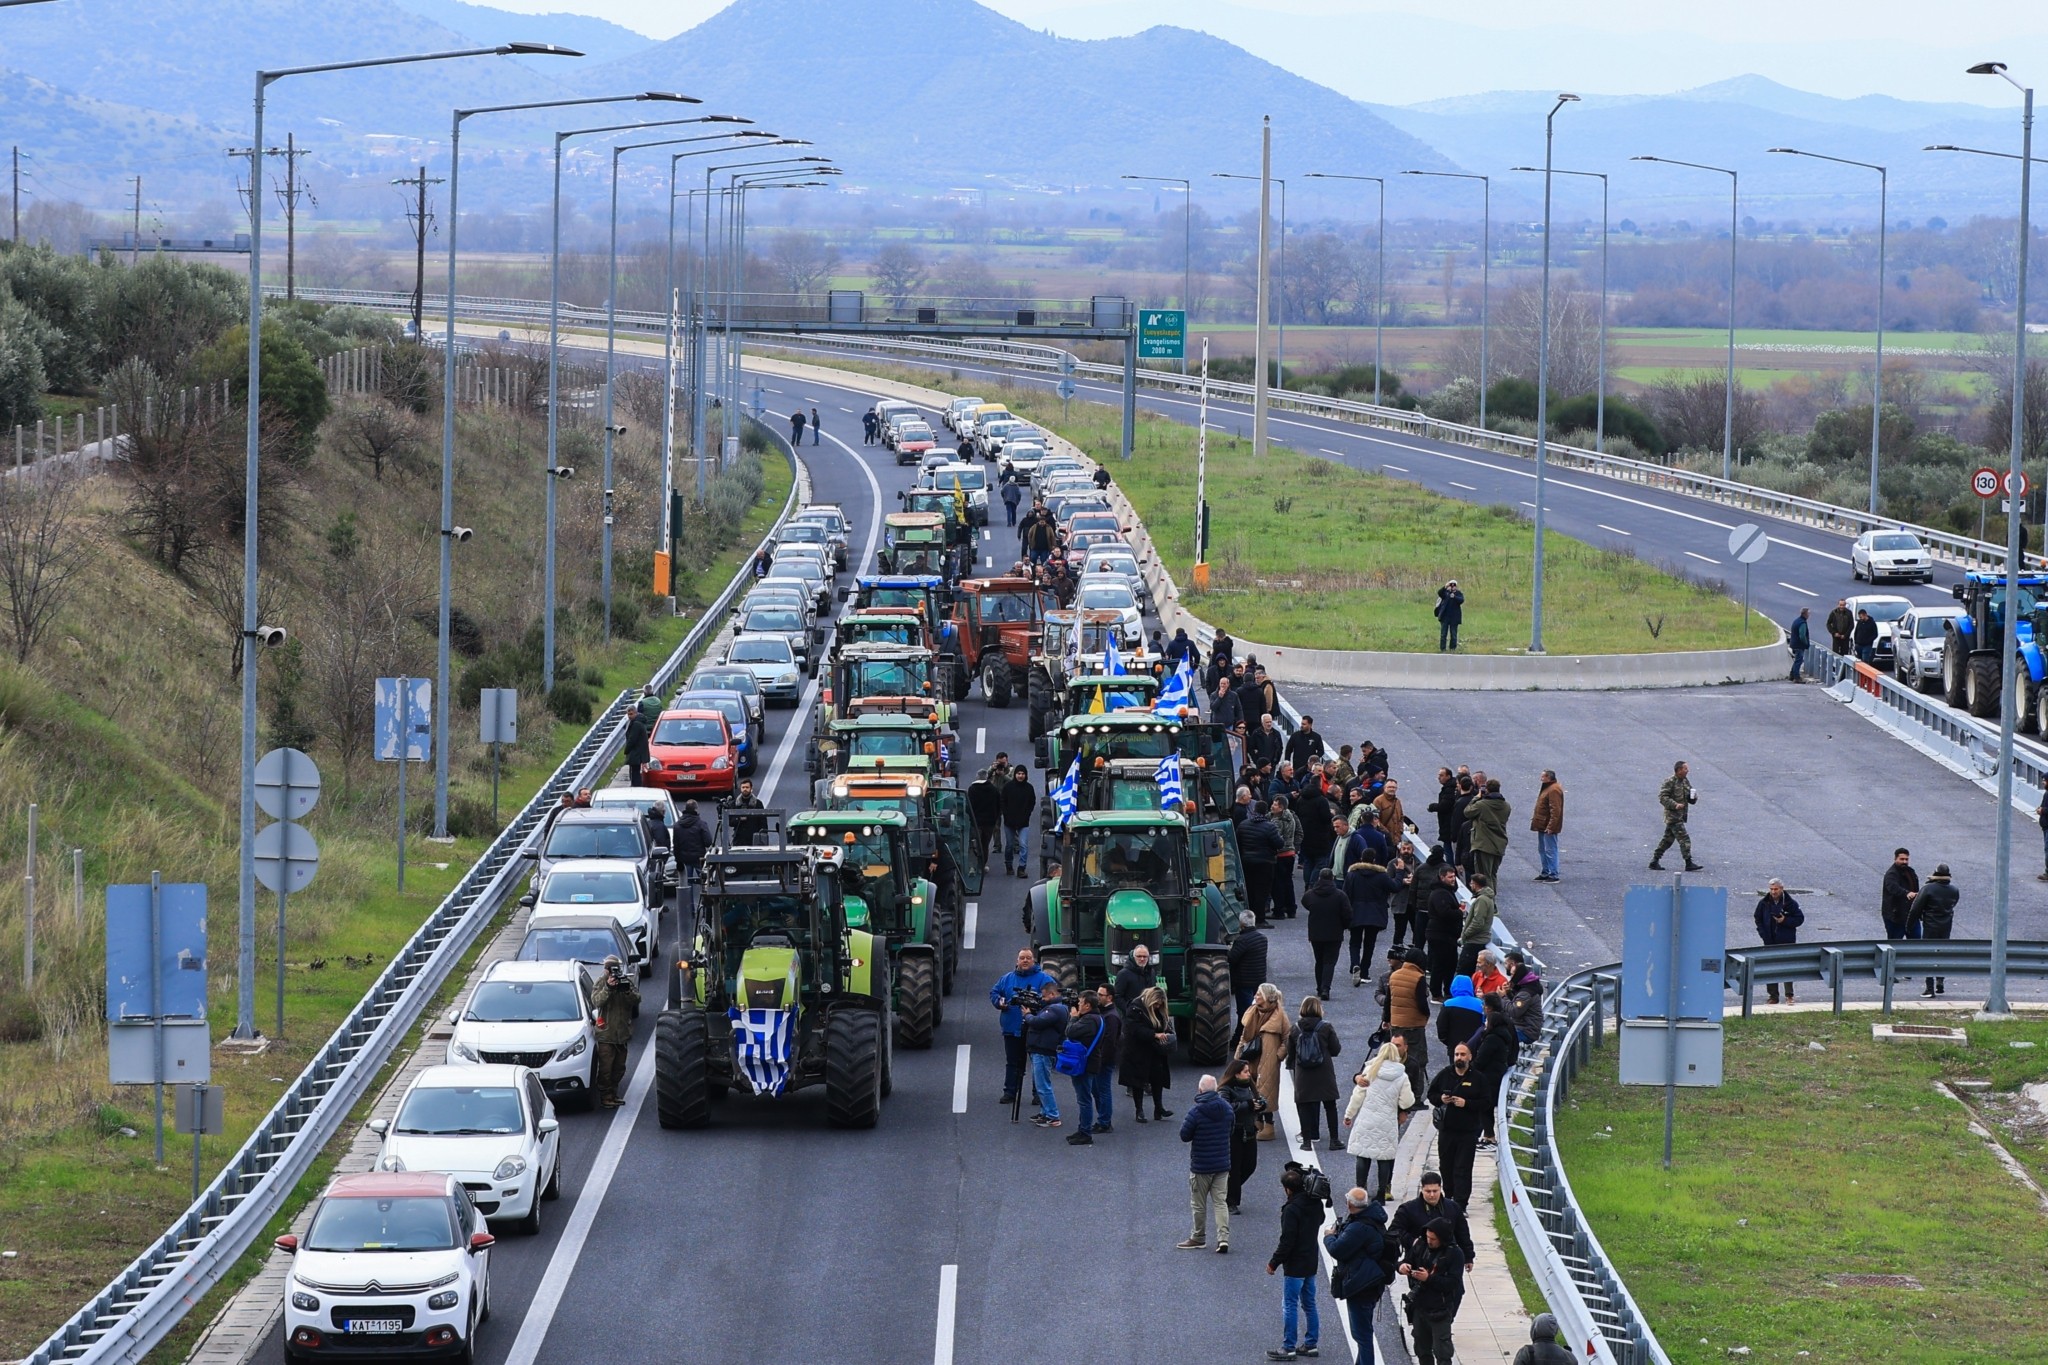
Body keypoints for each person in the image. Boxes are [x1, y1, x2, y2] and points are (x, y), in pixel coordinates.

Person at [1325, 1190, 1392, 1364]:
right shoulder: (1373, 1219)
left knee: (1362, 1335)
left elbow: (1337, 1250)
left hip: (1361, 1285)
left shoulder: (1359, 1227)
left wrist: (1329, 1237)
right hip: (1371, 1282)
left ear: (1349, 1204)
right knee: (1362, 1333)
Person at [1342, 1041, 1413, 1200]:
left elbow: (1358, 1095)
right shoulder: (1402, 1076)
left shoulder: (1370, 1071)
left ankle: (1360, 1190)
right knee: (1384, 1157)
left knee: (1363, 1154)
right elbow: (1406, 1102)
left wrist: (1349, 1115)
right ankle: (1382, 1193)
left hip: (1367, 1119)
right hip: (1388, 1121)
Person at [1265, 1166, 1323, 1361]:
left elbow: (1287, 1241)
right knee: (1309, 1303)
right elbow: (1321, 1219)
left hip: (1295, 1265)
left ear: (1287, 1189)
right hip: (1311, 1261)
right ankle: (1311, 1344)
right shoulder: (1315, 1203)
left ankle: (1288, 1347)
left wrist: (1274, 1262)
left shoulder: (1291, 1210)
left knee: (1290, 1304)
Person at [990, 948, 1055, 1105]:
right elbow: (994, 993)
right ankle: (1010, 1092)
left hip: (1036, 1029)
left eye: (1028, 958)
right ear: (1017, 960)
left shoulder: (1045, 979)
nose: (1025, 960)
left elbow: (1054, 999)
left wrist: (1036, 1004)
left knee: (1038, 1064)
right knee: (1013, 1062)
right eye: (1022, 958)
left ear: (1034, 960)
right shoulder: (1006, 979)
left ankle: (1038, 1094)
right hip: (1012, 1029)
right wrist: (999, 1002)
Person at [1178, 1074, 1234, 1252]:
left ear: (1200, 1090)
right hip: (1222, 1164)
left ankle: (1198, 1237)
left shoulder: (1195, 1112)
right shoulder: (1227, 1108)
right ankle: (1223, 1238)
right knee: (1220, 1202)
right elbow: (1230, 1131)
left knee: (1198, 1204)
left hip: (1201, 1166)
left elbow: (1184, 1136)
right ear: (1216, 1089)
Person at [1428, 1044, 1488, 1208]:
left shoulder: (1478, 1078)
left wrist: (1466, 1103)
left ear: (1470, 1057)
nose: (1459, 1058)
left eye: (1462, 1054)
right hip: (1447, 1130)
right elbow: (1431, 1094)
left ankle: (1461, 1203)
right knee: (1445, 1166)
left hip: (1468, 1131)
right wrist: (1441, 1099)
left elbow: (1486, 1102)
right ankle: (1448, 1197)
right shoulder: (1445, 1074)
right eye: (1456, 1054)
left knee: (1463, 1168)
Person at [1399, 1220, 1466, 1365]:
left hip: (1440, 1310)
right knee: (1422, 1349)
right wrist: (1403, 1266)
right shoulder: (1420, 1245)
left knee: (1442, 1352)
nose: (1429, 1241)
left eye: (1433, 1239)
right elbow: (1406, 1260)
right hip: (1419, 1307)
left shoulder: (1454, 1254)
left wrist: (1428, 1279)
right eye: (1428, 1237)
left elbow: (1452, 1283)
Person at [1287, 995, 1343, 1147]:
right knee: (1330, 1105)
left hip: (1303, 1073)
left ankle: (1306, 1142)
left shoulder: (1295, 1028)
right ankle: (1334, 1140)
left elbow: (1290, 1052)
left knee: (1304, 1106)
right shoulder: (1326, 1027)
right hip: (1324, 1072)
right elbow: (1336, 1049)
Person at [1390, 1173, 1475, 1270]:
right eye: (1428, 1191)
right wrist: (1413, 1241)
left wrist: (1468, 1257)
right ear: (1422, 1189)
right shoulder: (1408, 1209)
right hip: (1419, 1259)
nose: (1432, 1195)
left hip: (1448, 1259)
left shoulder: (1453, 1207)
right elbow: (1394, 1230)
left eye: (1435, 1191)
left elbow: (1463, 1233)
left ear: (1440, 1188)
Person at [1239, 983, 1289, 1141]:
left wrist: (1278, 1055)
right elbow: (1244, 1035)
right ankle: (1258, 1121)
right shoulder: (1252, 1011)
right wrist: (1239, 1054)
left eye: (1259, 994)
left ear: (1267, 997)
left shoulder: (1280, 1015)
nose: (1255, 996)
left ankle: (1269, 1126)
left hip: (1268, 1060)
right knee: (1253, 1089)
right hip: (1251, 1056)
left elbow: (1287, 1038)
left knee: (1266, 1091)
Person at [589, 954, 639, 1108]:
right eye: (609, 969)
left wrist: (626, 991)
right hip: (606, 1033)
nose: (611, 972)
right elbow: (596, 1001)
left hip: (622, 1033)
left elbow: (637, 999)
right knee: (606, 1069)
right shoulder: (601, 982)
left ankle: (613, 1094)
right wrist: (608, 988)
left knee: (619, 1068)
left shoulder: (625, 981)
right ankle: (606, 1096)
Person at [1220, 1057, 1269, 1214]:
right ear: (1236, 1074)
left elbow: (1259, 1098)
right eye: (1245, 1071)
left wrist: (1261, 1104)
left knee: (1250, 1166)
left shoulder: (1249, 1086)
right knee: (1234, 1169)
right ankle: (1231, 1201)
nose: (1249, 1074)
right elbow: (1225, 1108)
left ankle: (1225, 1190)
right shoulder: (1226, 1089)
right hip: (1234, 1133)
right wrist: (1247, 1105)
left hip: (1249, 1131)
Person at [1470, 998, 1520, 1149]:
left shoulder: (1492, 1039)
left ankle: (1489, 1137)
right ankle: (1488, 1136)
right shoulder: (1503, 1035)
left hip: (1488, 1078)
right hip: (1496, 1075)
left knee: (1485, 1108)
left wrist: (1470, 1069)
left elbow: (1481, 1059)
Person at [1020, 980, 1070, 1129]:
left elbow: (1038, 1022)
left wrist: (1027, 1015)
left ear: (1052, 994)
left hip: (1043, 1050)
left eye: (1044, 996)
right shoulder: (1055, 1008)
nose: (1042, 999)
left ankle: (1053, 1116)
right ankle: (1044, 1112)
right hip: (1041, 1049)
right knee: (1040, 1084)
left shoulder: (1055, 1009)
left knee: (1043, 1085)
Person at [1121, 984, 1175, 1121]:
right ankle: (1139, 1111)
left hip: (1154, 1049)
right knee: (1138, 1081)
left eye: (1160, 1004)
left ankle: (1159, 1108)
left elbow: (1164, 1024)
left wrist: (1167, 1032)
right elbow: (1135, 1029)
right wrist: (1155, 1035)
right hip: (1137, 1050)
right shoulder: (1135, 1008)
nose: (1158, 1006)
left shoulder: (1157, 1009)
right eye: (1156, 1004)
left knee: (1158, 1078)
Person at [1062, 991, 1109, 1144]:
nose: (1078, 1005)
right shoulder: (1098, 1018)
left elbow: (1070, 1032)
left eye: (1080, 1002)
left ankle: (1085, 1133)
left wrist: (1073, 1017)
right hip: (1091, 1062)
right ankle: (1082, 1129)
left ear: (1088, 1005)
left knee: (1084, 1100)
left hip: (1084, 1064)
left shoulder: (1089, 1020)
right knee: (1085, 1098)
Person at [1343, 855, 1397, 989]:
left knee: (1354, 942)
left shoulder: (1352, 875)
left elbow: (1346, 894)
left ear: (1361, 858)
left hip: (1356, 912)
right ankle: (1365, 971)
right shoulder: (1381, 876)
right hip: (1375, 914)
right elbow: (1395, 887)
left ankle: (1355, 964)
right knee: (1369, 944)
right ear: (1374, 860)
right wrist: (1400, 872)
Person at [1387, 948, 1432, 1101]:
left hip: (1396, 1024)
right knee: (1417, 1060)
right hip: (1414, 1025)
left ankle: (1396, 1093)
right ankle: (1414, 1097)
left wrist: (1386, 1019)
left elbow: (1388, 1001)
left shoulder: (1394, 975)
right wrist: (1426, 1015)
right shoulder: (1418, 977)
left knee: (1397, 1059)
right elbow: (1421, 1003)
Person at [1754, 879, 1804, 1004]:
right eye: (1771, 889)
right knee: (1770, 968)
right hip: (1769, 941)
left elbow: (1799, 919)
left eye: (1775, 889)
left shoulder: (1790, 903)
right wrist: (1763, 934)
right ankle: (1773, 996)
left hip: (1787, 941)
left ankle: (1789, 995)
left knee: (1787, 967)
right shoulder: (1764, 903)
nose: (1773, 892)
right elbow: (1758, 918)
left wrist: (1784, 921)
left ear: (1782, 889)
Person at [1303, 867, 1350, 999]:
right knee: (1329, 962)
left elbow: (1305, 903)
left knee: (1319, 960)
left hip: (1316, 933)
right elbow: (1347, 914)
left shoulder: (1310, 894)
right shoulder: (1340, 895)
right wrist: (1344, 926)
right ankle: (1325, 988)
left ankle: (1319, 987)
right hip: (1334, 933)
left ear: (1319, 878)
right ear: (1332, 878)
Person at [1649, 760, 1702, 872]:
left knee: (1667, 840)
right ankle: (1688, 863)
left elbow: (1689, 797)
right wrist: (1675, 805)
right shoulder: (1670, 782)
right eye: (1685, 768)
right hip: (1673, 817)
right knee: (1684, 839)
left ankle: (1654, 861)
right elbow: (1663, 797)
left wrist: (1693, 798)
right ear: (1679, 770)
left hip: (1680, 816)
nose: (1687, 771)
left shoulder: (1685, 781)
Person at [1915, 863, 1959, 996]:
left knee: (1928, 954)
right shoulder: (1954, 890)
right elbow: (1953, 904)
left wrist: (1911, 922)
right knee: (1941, 953)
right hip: (1946, 925)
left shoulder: (1928, 888)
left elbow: (1917, 906)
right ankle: (1940, 980)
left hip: (1930, 926)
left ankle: (1929, 988)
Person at [1239, 801, 1284, 925]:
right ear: (1265, 812)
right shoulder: (1269, 827)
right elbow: (1279, 843)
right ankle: (1260, 918)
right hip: (1265, 863)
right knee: (1262, 891)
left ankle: (1249, 918)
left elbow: (1238, 842)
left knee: (1250, 889)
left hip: (1247, 862)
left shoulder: (1243, 825)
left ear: (1254, 810)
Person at [1424, 865, 1463, 1000]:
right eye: (1450, 877)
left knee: (1450, 964)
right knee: (1440, 965)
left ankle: (1447, 991)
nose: (1453, 879)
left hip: (1446, 935)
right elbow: (1444, 913)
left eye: (1454, 876)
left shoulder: (1445, 891)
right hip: (1440, 934)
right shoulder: (1440, 893)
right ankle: (1436, 994)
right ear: (1442, 877)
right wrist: (1459, 912)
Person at [1463, 780, 1511, 884]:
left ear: (1487, 790)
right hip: (1499, 844)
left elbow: (1467, 812)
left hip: (1483, 845)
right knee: (1492, 875)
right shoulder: (1506, 806)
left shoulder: (1482, 805)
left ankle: (1487, 894)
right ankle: (1492, 893)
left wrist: (1476, 797)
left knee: (1483, 876)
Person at [1228, 910, 1269, 1023]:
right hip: (1259, 979)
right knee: (1258, 1009)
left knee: (1245, 1013)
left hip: (1244, 982)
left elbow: (1232, 958)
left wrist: (1229, 950)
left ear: (1241, 924)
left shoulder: (1242, 940)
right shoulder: (1263, 938)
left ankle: (1242, 1033)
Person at [1456, 872, 1496, 980]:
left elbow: (1478, 922)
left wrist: (1465, 935)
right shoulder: (1487, 898)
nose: (1470, 885)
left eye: (1471, 883)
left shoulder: (1482, 900)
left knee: (1463, 972)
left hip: (1474, 941)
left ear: (1476, 884)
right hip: (1478, 940)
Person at [1501, 950, 1545, 1044]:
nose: (1511, 977)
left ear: (1518, 975)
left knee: (1498, 1037)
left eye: (1512, 974)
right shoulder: (1524, 986)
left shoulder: (1526, 992)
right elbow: (1514, 1001)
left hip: (1526, 1031)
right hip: (1519, 1026)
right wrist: (1508, 992)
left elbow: (1514, 1011)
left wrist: (1504, 996)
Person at [1000, 767, 1037, 878]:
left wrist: (1027, 814)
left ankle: (1021, 868)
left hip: (1024, 822)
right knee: (1009, 845)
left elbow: (1032, 802)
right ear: (1015, 774)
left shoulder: (1029, 788)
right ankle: (1009, 865)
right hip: (1009, 822)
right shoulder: (1008, 787)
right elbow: (1002, 801)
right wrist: (1006, 815)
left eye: (1022, 774)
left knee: (1023, 845)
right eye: (1018, 773)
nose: (1020, 776)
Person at [1436, 976, 1486, 1055]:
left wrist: (1447, 1042)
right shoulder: (1480, 1004)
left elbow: (1441, 1025)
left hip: (1454, 1048)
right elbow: (1484, 1026)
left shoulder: (1448, 1004)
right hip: (1474, 1048)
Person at [1880, 846, 1920, 941]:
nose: (1904, 862)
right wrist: (1906, 893)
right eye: (1901, 859)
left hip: (1911, 915)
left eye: (1906, 859)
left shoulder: (1910, 872)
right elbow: (1892, 887)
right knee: (1895, 943)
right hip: (1895, 917)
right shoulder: (1891, 874)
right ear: (1895, 859)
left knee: (1917, 943)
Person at [1530, 770, 1563, 883]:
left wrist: (1551, 826)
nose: (1541, 778)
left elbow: (1555, 810)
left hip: (1547, 826)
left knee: (1550, 850)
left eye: (1543, 776)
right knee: (1543, 849)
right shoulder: (1549, 788)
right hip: (1543, 824)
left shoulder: (1553, 790)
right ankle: (1546, 871)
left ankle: (1553, 874)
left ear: (1548, 777)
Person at [966, 766, 1001, 871]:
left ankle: (974, 866)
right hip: (989, 823)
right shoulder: (993, 789)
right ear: (986, 777)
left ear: (977, 777)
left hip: (976, 822)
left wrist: (970, 818)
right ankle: (982, 865)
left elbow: (968, 806)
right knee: (985, 844)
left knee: (975, 844)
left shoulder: (972, 789)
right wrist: (995, 818)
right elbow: (999, 806)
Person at [672, 799, 713, 887]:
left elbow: (676, 846)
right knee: (705, 882)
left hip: (684, 858)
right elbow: (708, 842)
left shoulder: (677, 826)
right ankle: (704, 894)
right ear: (696, 810)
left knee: (686, 884)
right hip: (699, 858)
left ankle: (688, 896)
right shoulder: (701, 824)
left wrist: (678, 861)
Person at [1114, 943, 1157, 1018]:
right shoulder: (1123, 974)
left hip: (1148, 1016)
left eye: (1145, 956)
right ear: (1133, 957)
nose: (1142, 959)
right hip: (1131, 1018)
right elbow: (1117, 996)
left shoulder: (1151, 972)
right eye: (1139, 956)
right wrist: (1130, 1010)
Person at [726, 780, 766, 845]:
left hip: (754, 838)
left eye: (747, 787)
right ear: (740, 789)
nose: (745, 789)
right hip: (739, 839)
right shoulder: (734, 804)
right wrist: (739, 819)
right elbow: (730, 822)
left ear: (751, 789)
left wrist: (762, 838)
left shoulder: (758, 803)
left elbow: (763, 823)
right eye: (743, 787)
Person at [623, 702, 652, 788]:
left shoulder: (636, 724)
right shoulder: (638, 722)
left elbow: (632, 739)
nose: (629, 716)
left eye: (631, 714)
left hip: (636, 753)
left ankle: (636, 788)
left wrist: (626, 750)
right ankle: (636, 787)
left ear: (636, 713)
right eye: (628, 714)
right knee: (636, 772)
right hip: (638, 752)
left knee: (634, 774)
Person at [1434, 579, 1464, 652]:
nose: (1453, 587)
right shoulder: (1445, 593)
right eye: (1451, 585)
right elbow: (1439, 593)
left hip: (1454, 618)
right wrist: (1445, 587)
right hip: (1445, 617)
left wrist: (1454, 597)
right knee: (1443, 634)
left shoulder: (1458, 593)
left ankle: (1452, 648)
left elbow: (1461, 600)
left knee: (1453, 634)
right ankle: (1443, 649)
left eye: (1454, 585)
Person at [1788, 605, 1812, 682]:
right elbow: (1802, 635)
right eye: (1808, 613)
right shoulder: (1802, 623)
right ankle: (1796, 677)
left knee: (1797, 660)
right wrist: (1806, 643)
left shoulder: (1797, 621)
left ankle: (1792, 675)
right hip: (1799, 645)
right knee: (1799, 661)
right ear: (1805, 614)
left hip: (1794, 643)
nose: (1809, 615)